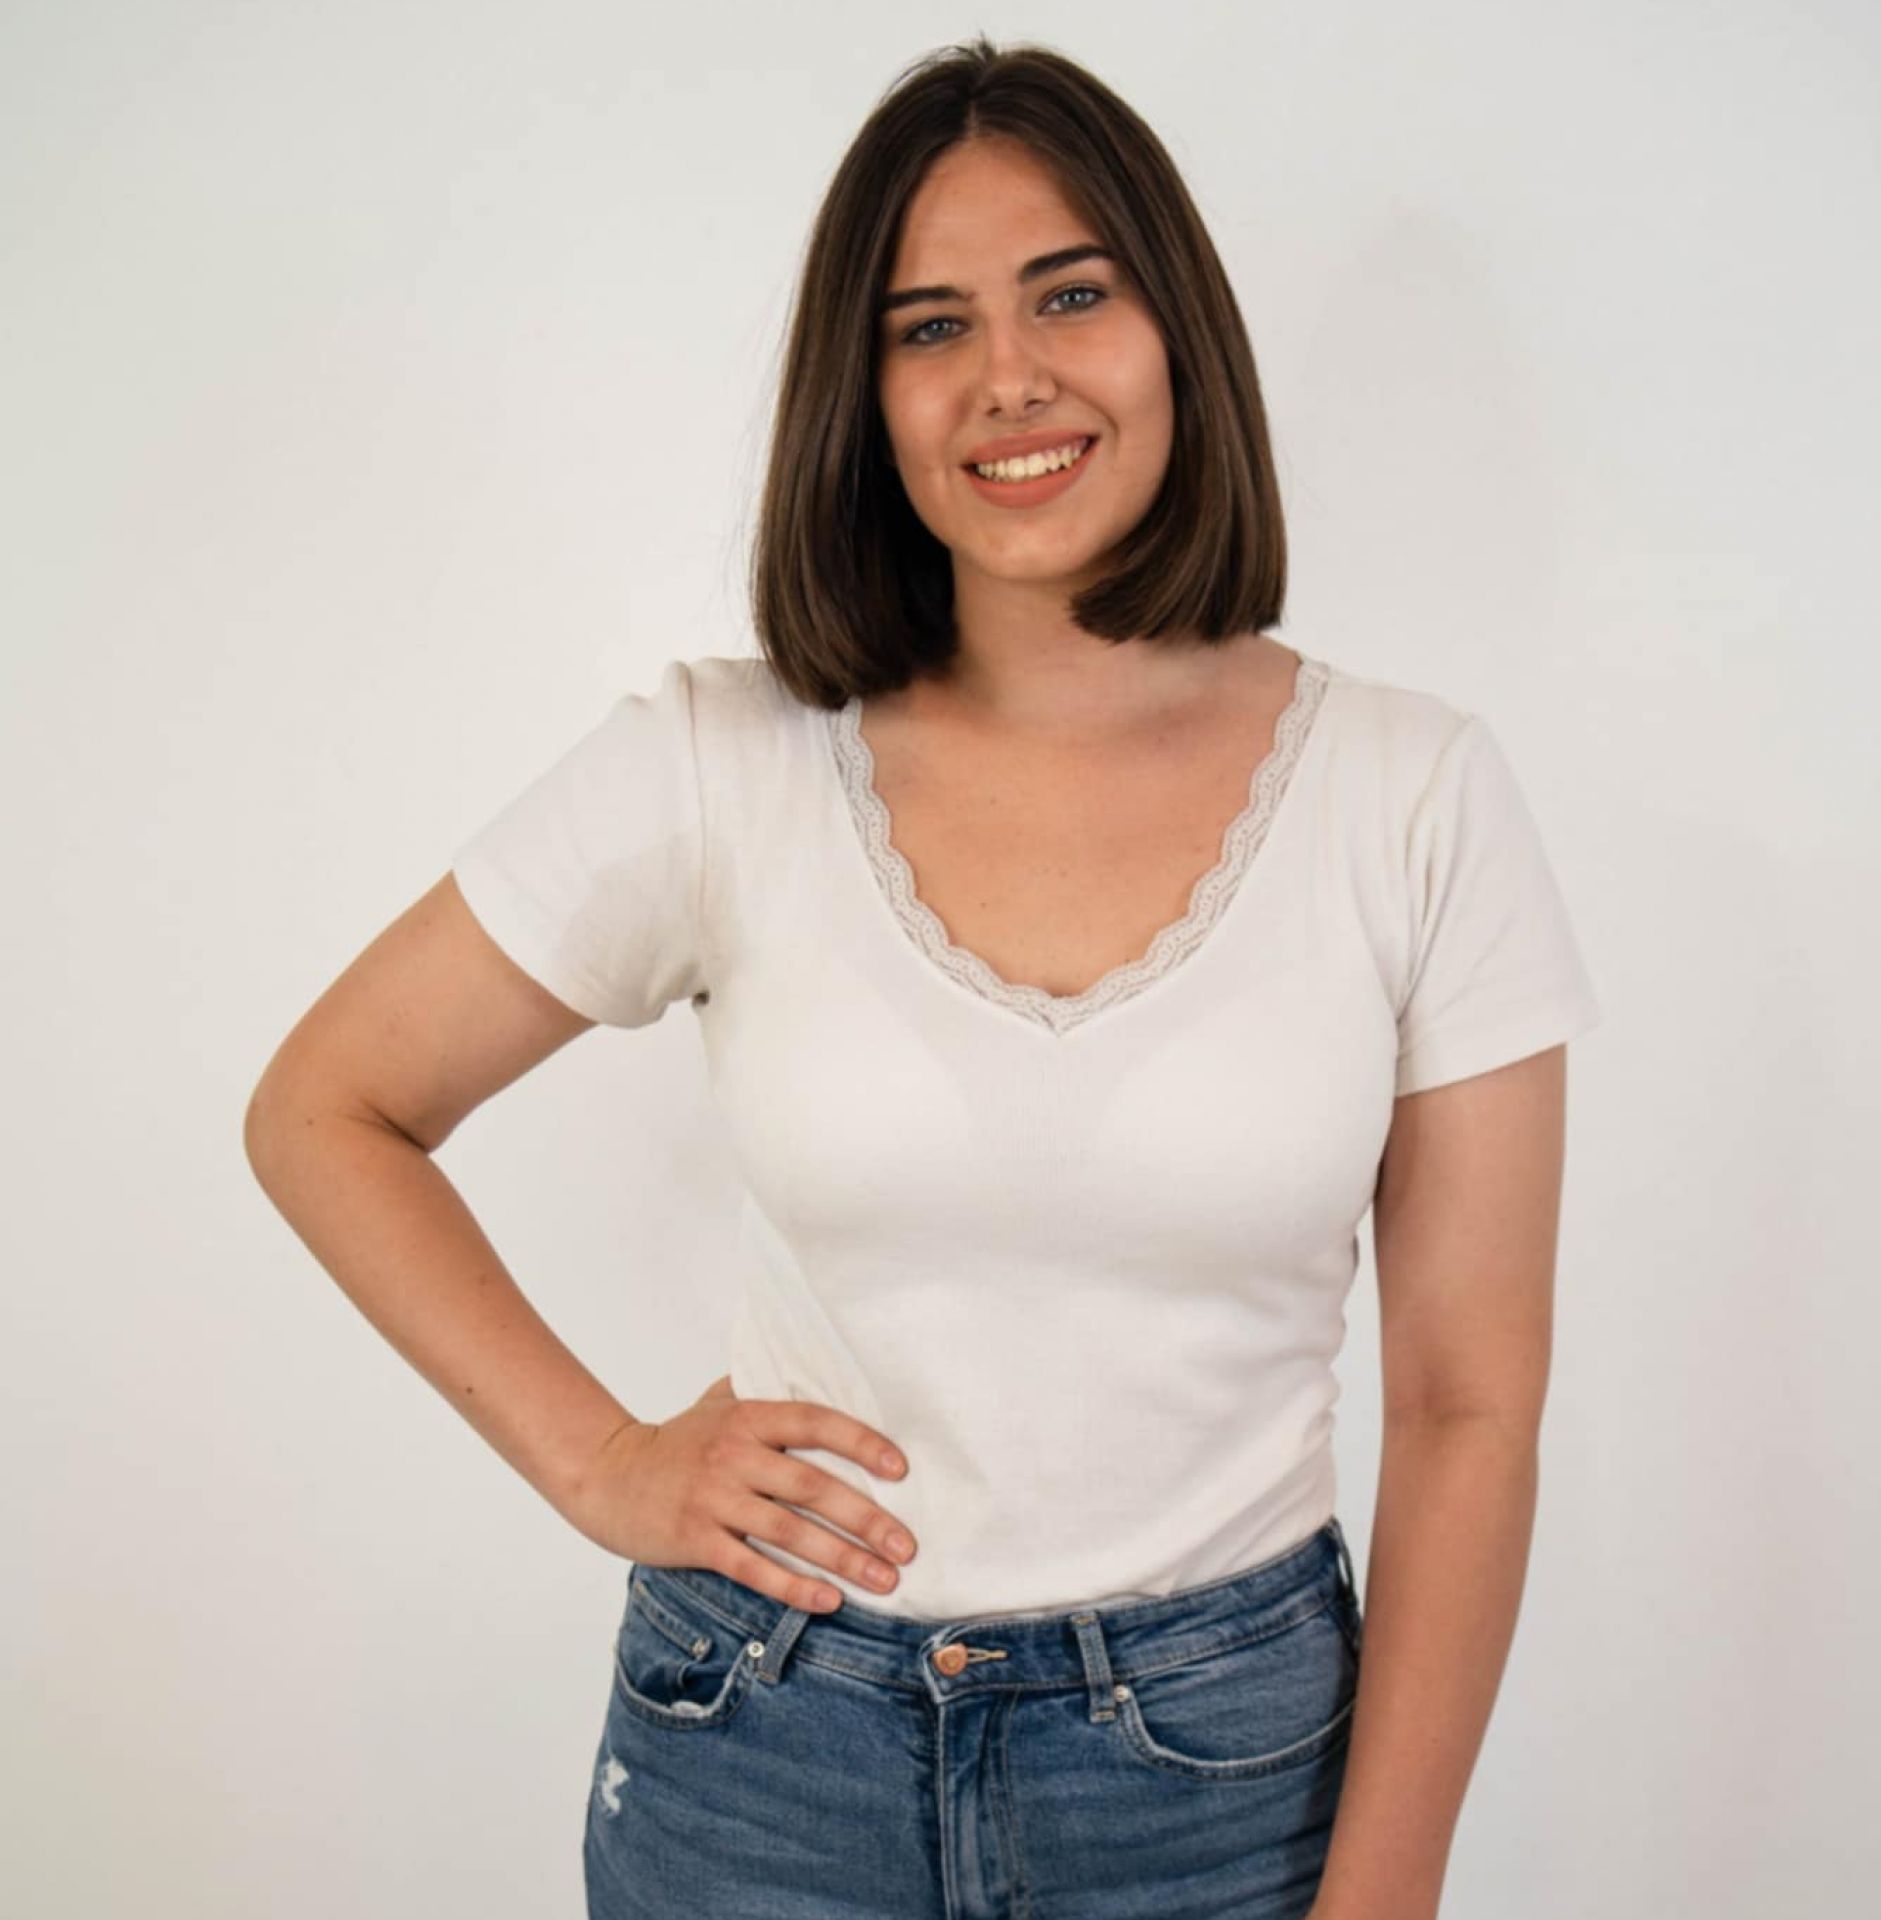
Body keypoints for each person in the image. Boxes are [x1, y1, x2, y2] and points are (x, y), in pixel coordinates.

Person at [244, 34, 1604, 1920]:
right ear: (865, 394)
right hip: (762, 1758)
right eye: (930, 326)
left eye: (1072, 294)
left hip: (1222, 1787)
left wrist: (1385, 1894)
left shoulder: (1413, 794)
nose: (1009, 377)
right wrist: (605, 1463)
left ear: (1179, 333)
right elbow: (327, 1108)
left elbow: (1467, 1409)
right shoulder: (721, 762)